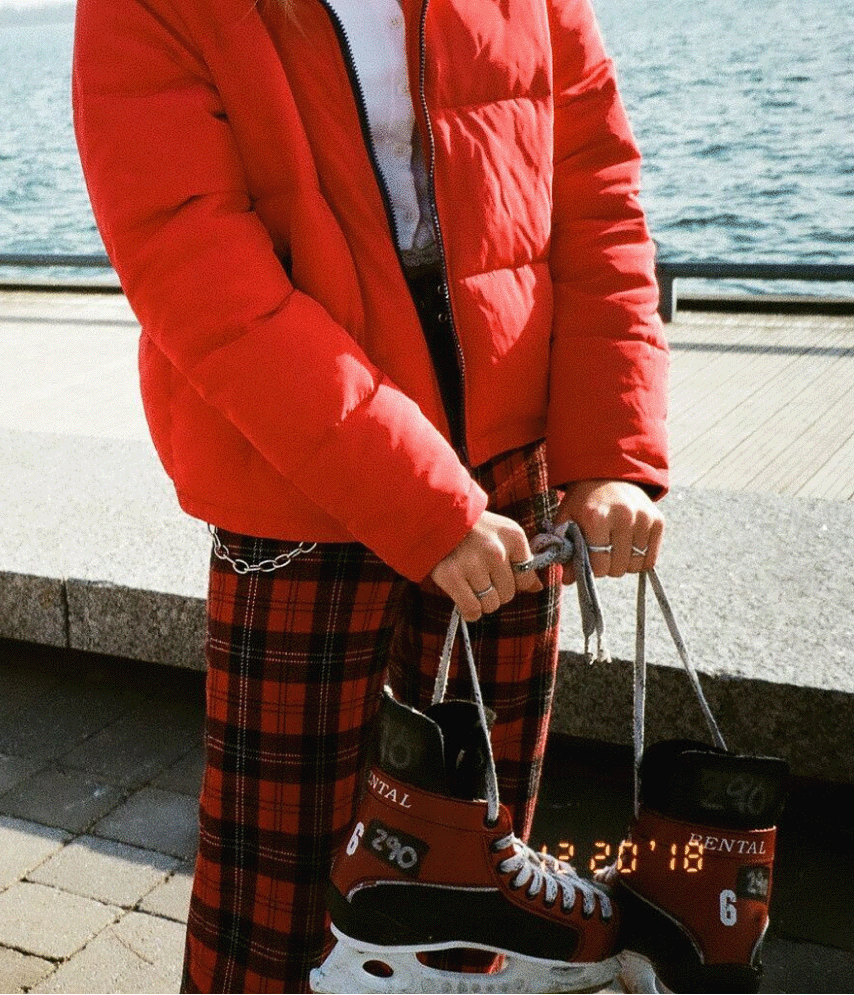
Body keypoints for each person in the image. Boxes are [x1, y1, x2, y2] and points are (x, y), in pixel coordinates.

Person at [71, 0, 669, 991]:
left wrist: (612, 451)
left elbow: (594, 189)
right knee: (278, 897)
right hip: (300, 481)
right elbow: (193, 264)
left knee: (474, 879)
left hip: (511, 467)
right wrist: (417, 497)